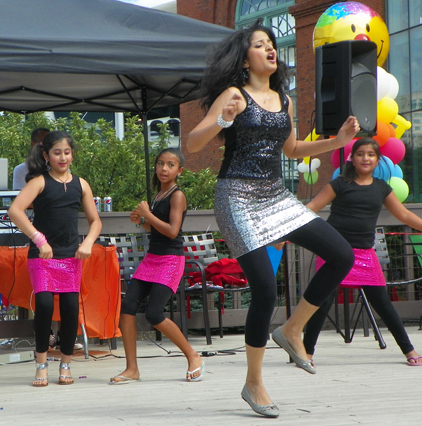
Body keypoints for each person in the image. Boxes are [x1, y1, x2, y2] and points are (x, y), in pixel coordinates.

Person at [186, 20, 360, 418]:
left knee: (341, 255)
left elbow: (294, 148)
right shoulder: (234, 94)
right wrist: (222, 119)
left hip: (275, 195)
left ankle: (293, 330)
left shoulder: (283, 97)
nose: (270, 49)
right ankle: (254, 382)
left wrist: (338, 141)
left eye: (271, 44)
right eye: (260, 44)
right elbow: (193, 144)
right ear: (244, 58)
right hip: (237, 197)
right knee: (265, 288)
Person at [303, 138, 422, 367]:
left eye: (370, 155)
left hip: (364, 254)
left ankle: (408, 349)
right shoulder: (340, 183)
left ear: (377, 159)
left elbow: (404, 215)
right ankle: (306, 353)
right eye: (360, 154)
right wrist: (286, 231)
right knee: (322, 301)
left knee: (383, 303)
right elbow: (312, 206)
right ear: (352, 158)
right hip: (334, 252)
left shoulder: (382, 188)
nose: (365, 158)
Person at [8, 131, 102, 387]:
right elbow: (15, 210)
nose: (63, 157)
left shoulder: (80, 184)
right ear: (46, 155)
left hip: (71, 257)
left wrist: (89, 242)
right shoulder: (39, 181)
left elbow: (96, 221)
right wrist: (39, 239)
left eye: (67, 152)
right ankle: (41, 364)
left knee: (71, 309)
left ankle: (65, 363)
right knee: (46, 305)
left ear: (72, 154)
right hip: (42, 256)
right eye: (57, 152)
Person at [109, 148, 204, 385]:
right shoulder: (158, 195)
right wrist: (142, 221)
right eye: (160, 163)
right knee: (128, 306)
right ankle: (132, 369)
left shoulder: (177, 195)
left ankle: (193, 357)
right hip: (152, 258)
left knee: (154, 313)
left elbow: (173, 231)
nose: (164, 168)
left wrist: (147, 216)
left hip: (170, 261)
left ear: (179, 170)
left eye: (170, 165)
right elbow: (157, 229)